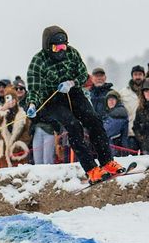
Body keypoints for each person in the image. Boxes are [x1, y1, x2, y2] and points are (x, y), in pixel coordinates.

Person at [25, 25, 120, 181]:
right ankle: (91, 169)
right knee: (73, 125)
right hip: (53, 99)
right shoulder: (38, 61)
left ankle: (107, 162)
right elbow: (35, 88)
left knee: (93, 120)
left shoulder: (72, 53)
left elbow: (83, 73)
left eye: (63, 46)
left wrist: (72, 82)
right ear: (48, 47)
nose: (61, 50)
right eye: (57, 47)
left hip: (73, 92)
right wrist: (32, 104)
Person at [0, 88, 32, 168]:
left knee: (18, 174)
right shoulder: (2, 112)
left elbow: (27, 132)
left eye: (13, 98)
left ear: (16, 100)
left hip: (17, 151)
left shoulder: (22, 114)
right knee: (2, 175)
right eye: (8, 98)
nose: (11, 101)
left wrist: (20, 144)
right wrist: (2, 110)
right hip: (3, 150)